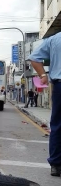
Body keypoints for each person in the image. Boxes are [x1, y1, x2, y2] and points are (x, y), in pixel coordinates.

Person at [28, 31, 61, 177]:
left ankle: (55, 164)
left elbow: (34, 58)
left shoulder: (55, 39)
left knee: (58, 125)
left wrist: (43, 75)